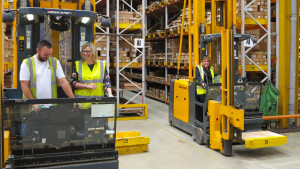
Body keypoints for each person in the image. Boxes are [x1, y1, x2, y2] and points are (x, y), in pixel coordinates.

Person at [20, 40, 82, 110]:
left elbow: (63, 82)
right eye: (45, 54)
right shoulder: (27, 63)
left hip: (51, 106)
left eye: (50, 54)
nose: (48, 57)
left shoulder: (54, 62)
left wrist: (73, 100)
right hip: (33, 107)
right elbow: (24, 86)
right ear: (38, 51)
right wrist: (34, 103)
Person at [71, 42, 113, 109]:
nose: (85, 53)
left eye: (88, 51)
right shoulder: (78, 65)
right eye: (83, 51)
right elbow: (73, 83)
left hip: (98, 103)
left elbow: (107, 82)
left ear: (93, 52)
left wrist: (110, 94)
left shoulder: (101, 65)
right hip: (82, 103)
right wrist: (87, 86)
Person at [195, 56, 215, 122]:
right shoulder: (198, 67)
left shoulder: (211, 68)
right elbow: (197, 76)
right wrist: (202, 82)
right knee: (204, 105)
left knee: (210, 105)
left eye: (207, 61)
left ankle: (209, 120)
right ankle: (201, 121)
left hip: (210, 90)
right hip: (201, 91)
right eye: (204, 61)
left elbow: (213, 78)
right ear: (202, 62)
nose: (206, 63)